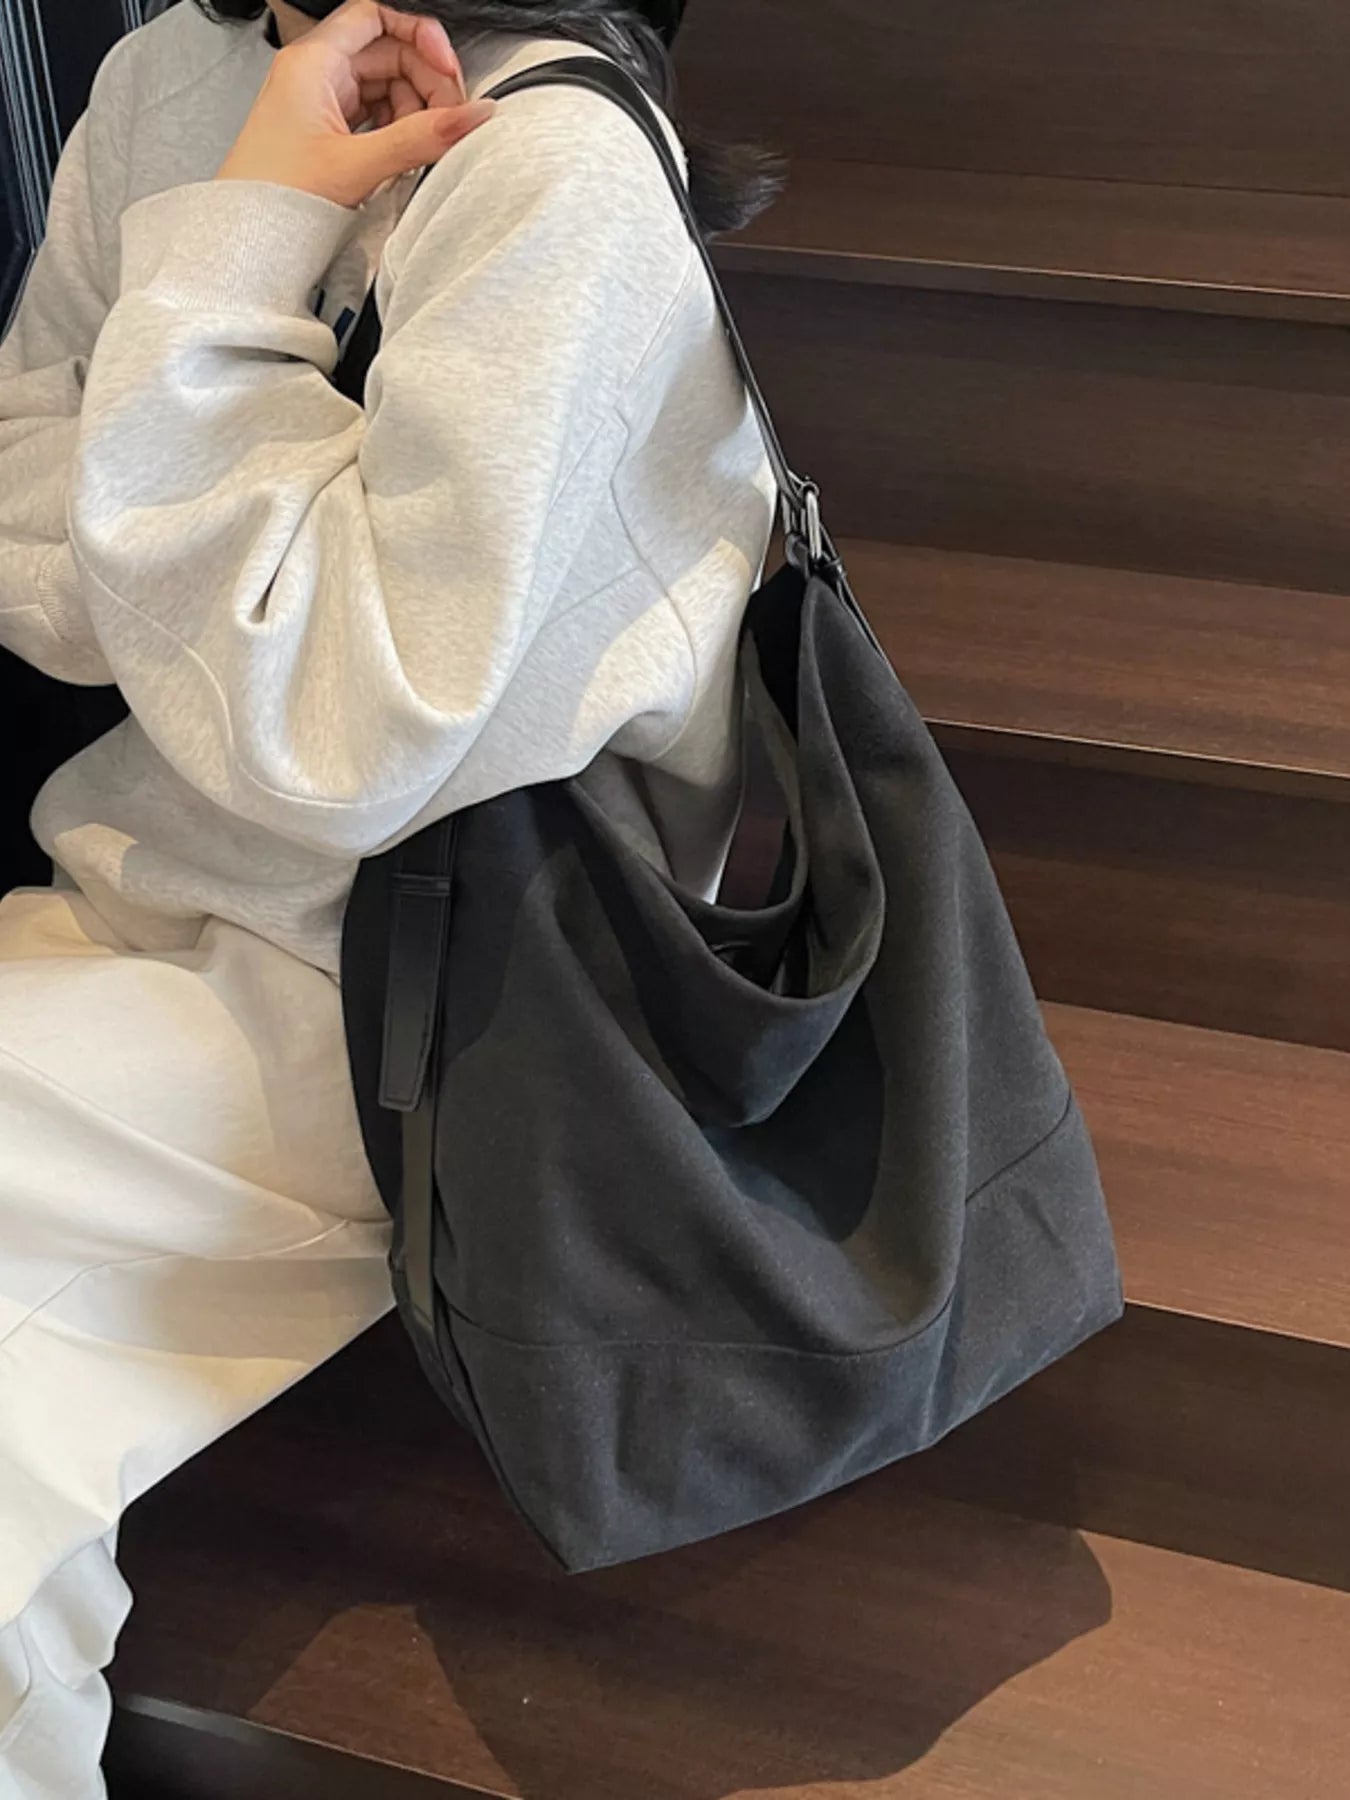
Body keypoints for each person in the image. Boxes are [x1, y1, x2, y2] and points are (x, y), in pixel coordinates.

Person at [0, 0, 778, 1788]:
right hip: (141, 900)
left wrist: (241, 248)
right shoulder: (162, 76)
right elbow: (23, 507)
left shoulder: (551, 161)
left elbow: (340, 727)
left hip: (427, 995)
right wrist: (219, 562)